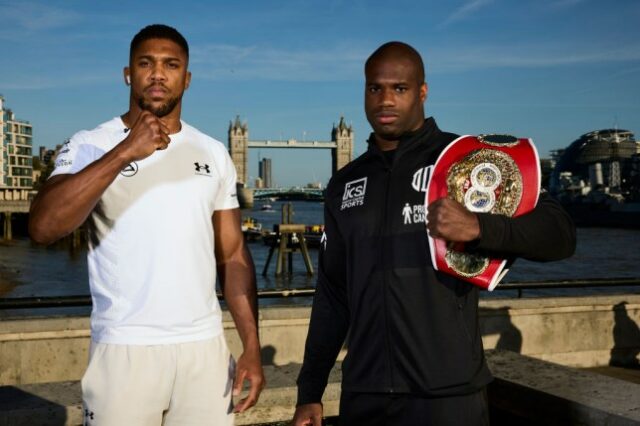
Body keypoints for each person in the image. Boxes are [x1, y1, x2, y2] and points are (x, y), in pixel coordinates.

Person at [291, 41, 576, 425]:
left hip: (448, 396)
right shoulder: (344, 183)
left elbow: (560, 235)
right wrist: (310, 391)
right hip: (365, 394)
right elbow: (332, 295)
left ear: (422, 92)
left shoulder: (469, 159)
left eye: (400, 88)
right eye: (375, 88)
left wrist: (480, 227)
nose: (385, 100)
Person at [29, 24, 264, 425]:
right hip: (125, 350)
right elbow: (44, 226)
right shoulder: (91, 143)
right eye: (146, 63)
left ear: (186, 79)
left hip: (204, 351)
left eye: (171, 65)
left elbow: (232, 255)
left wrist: (253, 347)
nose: (158, 74)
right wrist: (125, 151)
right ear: (128, 74)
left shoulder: (214, 151)